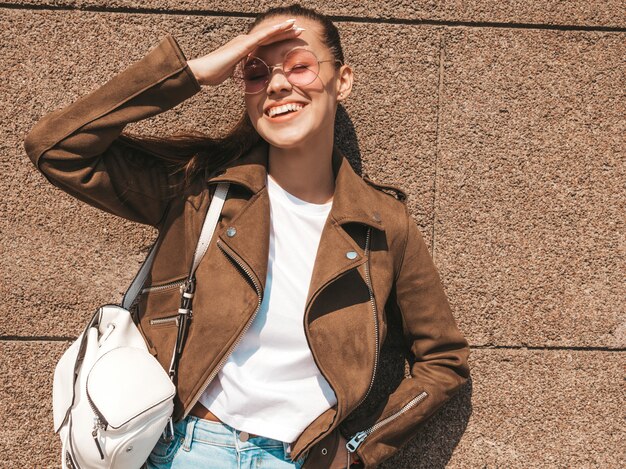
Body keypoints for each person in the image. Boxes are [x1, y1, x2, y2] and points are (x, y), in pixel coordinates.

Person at [23, 4, 470, 469]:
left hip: (299, 459)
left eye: (300, 66)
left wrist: (359, 451)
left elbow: (444, 359)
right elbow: (56, 148)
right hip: (182, 450)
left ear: (343, 80)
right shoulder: (202, 192)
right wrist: (195, 72)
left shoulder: (383, 223)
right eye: (255, 72)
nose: (277, 84)